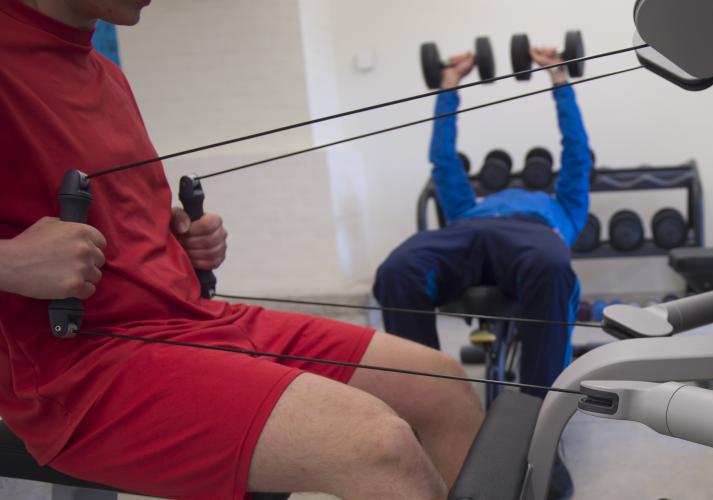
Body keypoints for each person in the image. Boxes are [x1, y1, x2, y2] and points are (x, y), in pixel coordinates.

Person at [0, 1, 483, 498]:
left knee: (443, 384)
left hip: (191, 321)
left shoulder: (106, 73)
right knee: (378, 445)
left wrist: (181, 241)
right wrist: (11, 262)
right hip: (79, 369)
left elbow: (124, 217)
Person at [374, 48, 593, 398]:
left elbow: (576, 152)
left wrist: (558, 78)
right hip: (465, 232)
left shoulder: (566, 207)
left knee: (552, 268)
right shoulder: (468, 206)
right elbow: (444, 160)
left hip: (532, 236)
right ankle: (426, 401)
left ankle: (538, 415)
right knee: (398, 270)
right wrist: (449, 86)